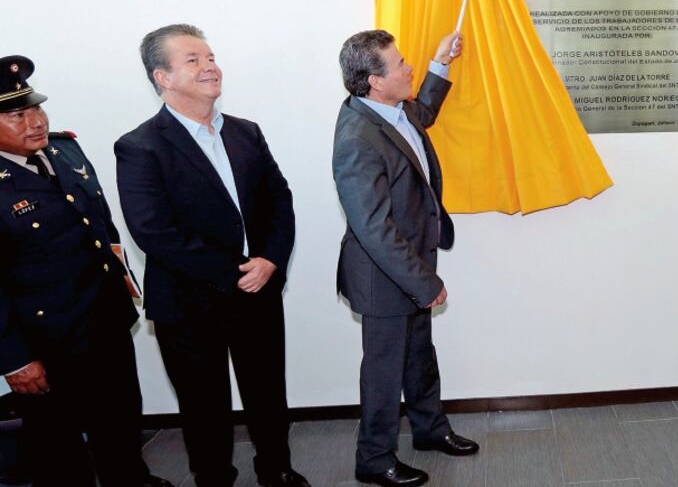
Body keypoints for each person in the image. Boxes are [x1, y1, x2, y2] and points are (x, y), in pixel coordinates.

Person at [115, 25, 309, 487]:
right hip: (189, 302)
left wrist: (270, 262)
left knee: (267, 392)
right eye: (193, 60)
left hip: (258, 288)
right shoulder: (140, 146)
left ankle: (276, 469)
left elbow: (279, 201)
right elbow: (154, 232)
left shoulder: (246, 132)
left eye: (211, 57)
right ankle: (214, 477)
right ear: (162, 77)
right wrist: (236, 272)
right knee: (204, 406)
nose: (210, 67)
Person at [0, 55, 171, 487]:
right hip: (45, 340)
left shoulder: (64, 148)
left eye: (36, 108)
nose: (35, 121)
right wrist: (14, 358)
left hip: (104, 318)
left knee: (120, 419)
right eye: (18, 115)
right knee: (58, 446)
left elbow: (101, 227)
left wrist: (124, 291)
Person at [332, 29, 479, 487]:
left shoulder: (396, 111)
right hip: (383, 275)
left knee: (418, 355)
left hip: (409, 265)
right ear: (375, 81)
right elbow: (372, 227)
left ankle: (430, 431)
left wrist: (441, 63)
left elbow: (426, 110)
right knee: (383, 370)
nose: (408, 67)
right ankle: (374, 459)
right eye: (400, 65)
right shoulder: (358, 137)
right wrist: (425, 282)